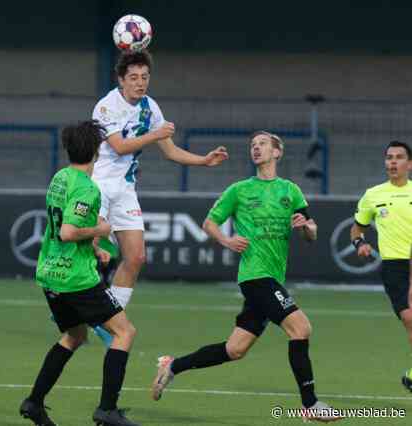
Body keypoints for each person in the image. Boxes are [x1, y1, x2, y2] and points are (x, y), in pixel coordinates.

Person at [150, 131, 342, 422]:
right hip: (255, 276)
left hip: (273, 277)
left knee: (235, 349)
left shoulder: (290, 191)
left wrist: (306, 227)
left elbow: (311, 232)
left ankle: (173, 366)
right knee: (300, 328)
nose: (256, 148)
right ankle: (311, 404)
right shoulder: (239, 190)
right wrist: (227, 242)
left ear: (277, 152)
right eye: (253, 145)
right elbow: (209, 223)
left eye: (263, 144)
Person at [91, 49, 228, 323]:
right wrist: (154, 134)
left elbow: (170, 150)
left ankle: (106, 319)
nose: (140, 82)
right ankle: (68, 304)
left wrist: (204, 160)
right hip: (98, 185)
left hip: (126, 190)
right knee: (89, 250)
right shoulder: (107, 105)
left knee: (136, 257)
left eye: (144, 77)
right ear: (121, 80)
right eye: (133, 77)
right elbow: (118, 147)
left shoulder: (150, 107)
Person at [20, 120, 140, 426]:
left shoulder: (60, 177)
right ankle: (107, 410)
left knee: (74, 335)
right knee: (124, 333)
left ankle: (34, 403)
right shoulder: (87, 187)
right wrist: (100, 229)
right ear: (97, 151)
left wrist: (94, 246)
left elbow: (60, 227)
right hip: (76, 278)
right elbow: (69, 231)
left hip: (50, 273)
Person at [350, 141, 412, 392]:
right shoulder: (373, 195)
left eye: (398, 157)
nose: (393, 162)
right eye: (389, 157)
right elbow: (357, 227)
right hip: (393, 266)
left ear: (409, 164)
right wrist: (359, 243)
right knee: (409, 318)